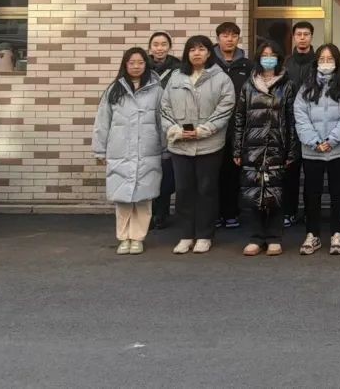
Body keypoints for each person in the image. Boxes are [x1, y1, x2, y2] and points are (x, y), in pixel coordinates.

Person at [161, 35, 236, 254]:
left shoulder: (221, 78)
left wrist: (203, 130)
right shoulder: (176, 77)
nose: (197, 53)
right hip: (180, 145)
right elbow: (164, 108)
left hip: (209, 145)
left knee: (206, 190)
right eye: (192, 49)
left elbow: (225, 108)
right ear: (187, 53)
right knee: (184, 190)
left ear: (209, 53)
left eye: (201, 49)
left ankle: (204, 235)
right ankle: (186, 235)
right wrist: (176, 130)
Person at [93, 47, 164, 255]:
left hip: (147, 151)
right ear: (125, 65)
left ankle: (138, 238)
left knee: (143, 199)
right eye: (131, 63)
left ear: (146, 64)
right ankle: (124, 238)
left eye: (140, 62)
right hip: (120, 151)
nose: (136, 66)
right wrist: (99, 150)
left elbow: (162, 121)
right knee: (122, 199)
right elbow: (102, 122)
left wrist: (166, 148)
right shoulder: (114, 89)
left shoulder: (156, 90)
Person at [232, 40, 297, 257]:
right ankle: (255, 238)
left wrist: (292, 150)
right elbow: (239, 118)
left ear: (279, 58)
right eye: (264, 55)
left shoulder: (287, 85)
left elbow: (292, 120)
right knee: (252, 193)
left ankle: (274, 238)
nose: (268, 58)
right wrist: (237, 149)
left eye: (272, 55)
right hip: (252, 147)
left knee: (275, 193)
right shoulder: (249, 85)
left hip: (277, 147)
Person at [294, 44, 340, 256]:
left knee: (338, 193)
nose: (325, 63)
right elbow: (300, 116)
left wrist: (332, 140)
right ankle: (312, 234)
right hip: (312, 150)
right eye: (321, 59)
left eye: (329, 59)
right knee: (311, 194)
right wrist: (314, 141)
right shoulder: (306, 87)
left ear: (337, 62)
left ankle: (337, 234)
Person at [214, 21, 253, 230]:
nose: (229, 39)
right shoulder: (210, 64)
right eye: (225, 35)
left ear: (239, 38)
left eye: (234, 35)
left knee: (233, 172)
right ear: (218, 38)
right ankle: (215, 213)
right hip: (213, 127)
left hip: (239, 127)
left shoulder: (247, 65)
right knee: (213, 173)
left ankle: (231, 213)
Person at [282, 21, 317, 228]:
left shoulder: (319, 62)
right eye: (299, 34)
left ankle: (310, 213)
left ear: (311, 36)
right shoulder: (285, 63)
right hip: (289, 125)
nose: (302, 38)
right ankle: (289, 211)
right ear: (294, 37)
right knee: (290, 171)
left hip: (314, 125)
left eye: (306, 34)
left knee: (312, 174)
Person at [147, 31, 181, 230]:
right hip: (146, 124)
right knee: (148, 170)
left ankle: (162, 212)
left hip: (169, 123)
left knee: (166, 169)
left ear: (169, 47)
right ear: (150, 47)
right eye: (156, 44)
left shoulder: (178, 68)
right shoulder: (142, 67)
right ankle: (148, 213)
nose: (159, 48)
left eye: (163, 44)